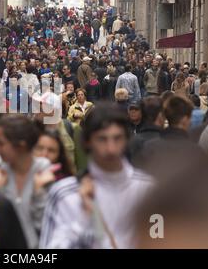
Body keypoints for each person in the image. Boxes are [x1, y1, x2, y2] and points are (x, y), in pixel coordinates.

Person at [40, 103, 154, 249]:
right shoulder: (64, 194)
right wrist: (83, 219)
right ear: (88, 142)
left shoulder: (149, 190)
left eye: (117, 138)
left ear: (126, 140)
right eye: (102, 139)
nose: (111, 148)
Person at [0, 115, 55, 248]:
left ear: (21, 146)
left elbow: (49, 225)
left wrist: (39, 194)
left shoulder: (45, 173)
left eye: (1, 143)